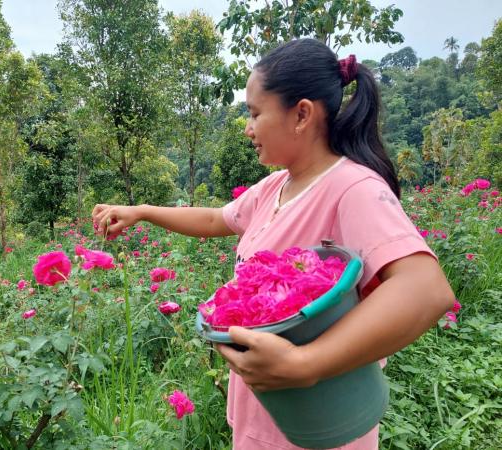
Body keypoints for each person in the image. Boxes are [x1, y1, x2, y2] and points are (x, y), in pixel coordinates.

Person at [92, 38, 455, 450]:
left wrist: (306, 364)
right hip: (263, 420)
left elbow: (426, 289)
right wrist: (141, 211)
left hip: (320, 427)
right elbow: (216, 219)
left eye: (254, 113)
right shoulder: (277, 186)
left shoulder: (352, 188)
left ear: (301, 114)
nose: (248, 128)